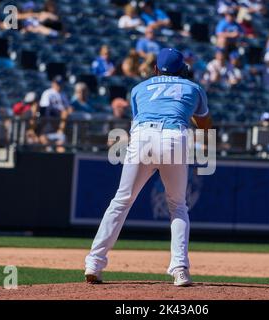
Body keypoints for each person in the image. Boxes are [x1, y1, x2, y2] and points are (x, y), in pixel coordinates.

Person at [85, 48, 212, 286]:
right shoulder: (194, 88)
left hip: (143, 135)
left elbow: (140, 118)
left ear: (155, 69)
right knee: (177, 205)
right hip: (174, 136)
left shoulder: (138, 88)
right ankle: (180, 269)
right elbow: (206, 125)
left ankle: (94, 262)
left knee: (121, 201)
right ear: (183, 69)